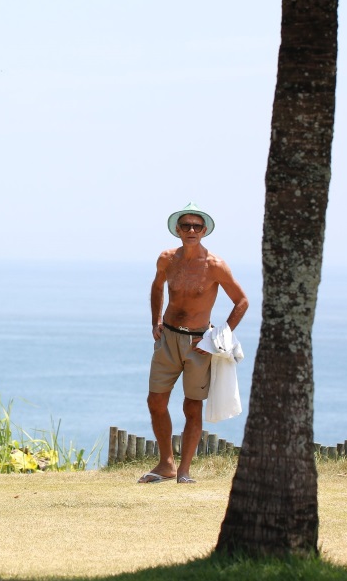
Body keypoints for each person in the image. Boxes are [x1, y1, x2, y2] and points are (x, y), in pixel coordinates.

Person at [138, 202, 249, 484]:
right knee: (155, 401)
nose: (191, 230)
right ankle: (166, 464)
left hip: (198, 344)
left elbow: (241, 301)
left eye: (196, 226)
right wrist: (155, 321)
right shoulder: (166, 259)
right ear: (177, 229)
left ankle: (184, 471)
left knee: (192, 406)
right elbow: (157, 286)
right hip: (167, 338)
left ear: (204, 231)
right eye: (186, 225)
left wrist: (217, 337)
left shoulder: (215, 265)